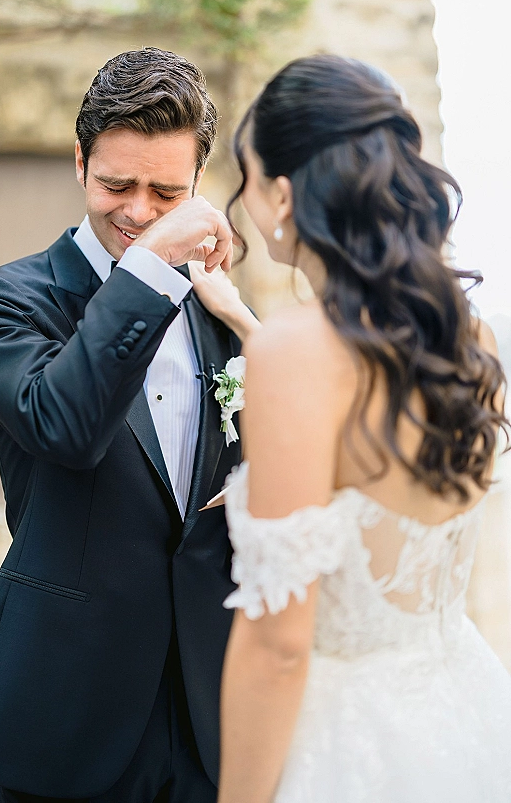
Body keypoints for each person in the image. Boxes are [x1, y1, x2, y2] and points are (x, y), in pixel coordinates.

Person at [0, 47, 259, 803]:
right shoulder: (0, 302)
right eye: (117, 184)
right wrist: (150, 269)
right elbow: (66, 427)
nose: (139, 212)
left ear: (199, 186)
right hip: (73, 705)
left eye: (166, 192)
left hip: (212, 702)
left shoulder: (218, 308)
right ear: (80, 162)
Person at [217, 55, 511, 803]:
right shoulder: (468, 334)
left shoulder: (294, 351)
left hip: (346, 744)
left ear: (281, 193)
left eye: (244, 175)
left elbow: (280, 646)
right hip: (463, 713)